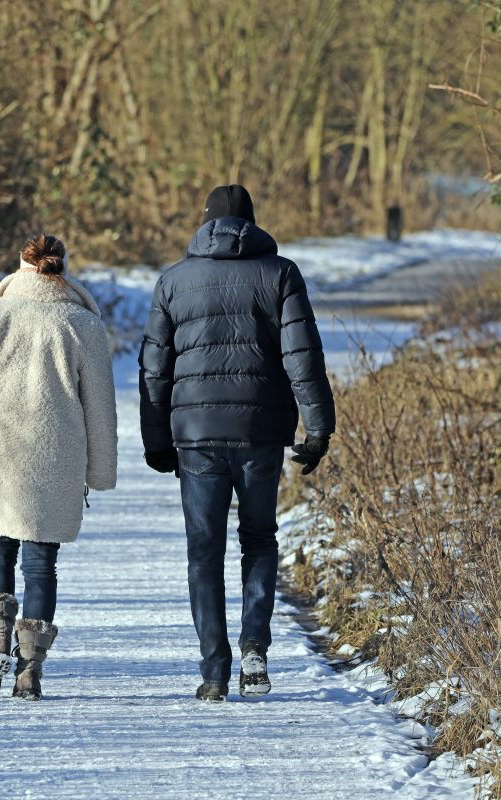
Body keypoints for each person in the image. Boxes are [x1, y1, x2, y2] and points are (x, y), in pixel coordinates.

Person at [138, 185, 335, 701]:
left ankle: (214, 671)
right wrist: (318, 429)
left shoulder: (174, 281)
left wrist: (157, 439)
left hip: (197, 439)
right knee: (259, 539)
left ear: (205, 223)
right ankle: (255, 650)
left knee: (203, 552)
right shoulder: (281, 273)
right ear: (251, 222)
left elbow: (155, 370)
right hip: (261, 433)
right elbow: (303, 357)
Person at [0, 234, 117, 701]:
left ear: (21, 267)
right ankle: (29, 668)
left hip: (0, 455)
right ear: (61, 270)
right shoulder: (82, 324)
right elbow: (101, 408)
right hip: (57, 462)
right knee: (41, 565)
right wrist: (101, 472)